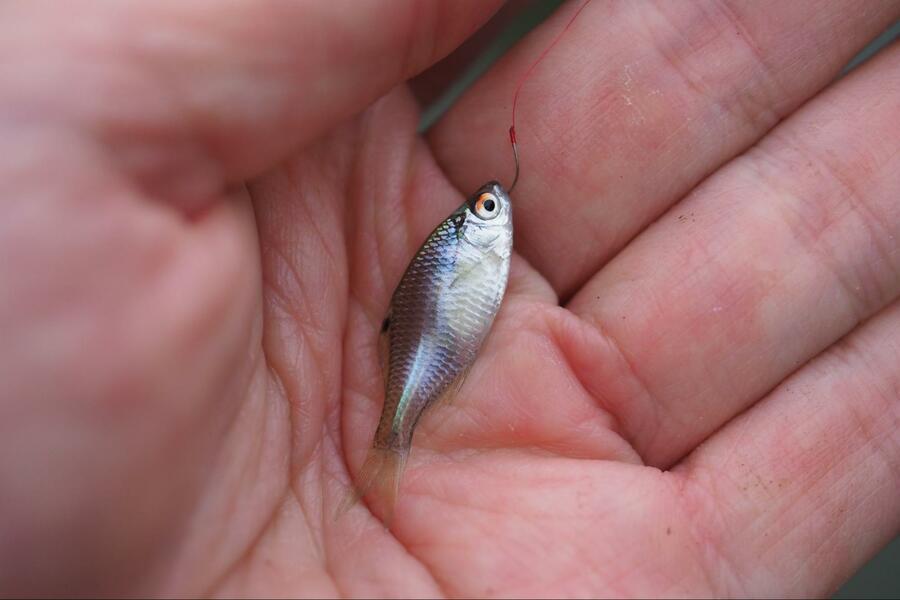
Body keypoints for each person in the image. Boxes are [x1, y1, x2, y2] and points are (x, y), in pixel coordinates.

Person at [2, 1, 899, 596]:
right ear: (481, 220)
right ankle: (397, 438)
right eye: (486, 206)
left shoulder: (474, 247)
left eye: (488, 205)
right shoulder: (477, 245)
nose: (492, 209)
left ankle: (400, 436)